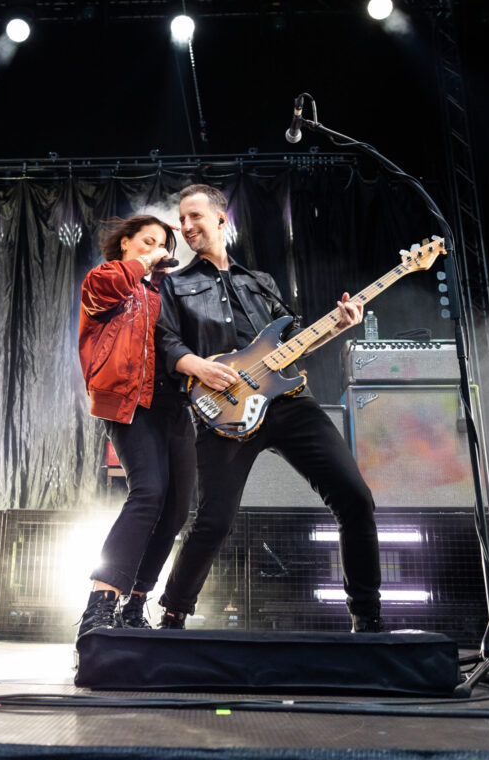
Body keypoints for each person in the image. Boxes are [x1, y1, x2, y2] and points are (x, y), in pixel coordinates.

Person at [155, 184, 382, 632]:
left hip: (288, 403)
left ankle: (367, 617)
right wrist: (197, 366)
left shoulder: (259, 282)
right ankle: (173, 614)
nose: (185, 226)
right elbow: (164, 339)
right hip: (223, 410)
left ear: (221, 219)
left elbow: (294, 343)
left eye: (194, 216)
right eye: (181, 219)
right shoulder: (174, 284)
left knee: (355, 499)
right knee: (214, 520)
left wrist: (339, 325)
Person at [77, 214, 196, 637]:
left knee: (177, 509)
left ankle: (135, 602)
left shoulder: (166, 292)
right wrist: (145, 262)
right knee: (148, 493)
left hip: (174, 406)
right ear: (125, 242)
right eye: (147, 241)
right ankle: (101, 602)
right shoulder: (107, 277)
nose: (157, 250)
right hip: (130, 403)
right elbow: (104, 292)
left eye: (162, 245)